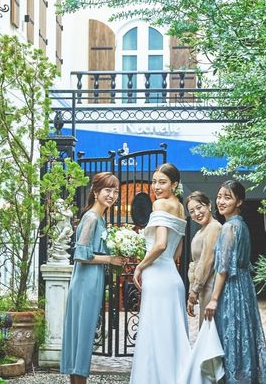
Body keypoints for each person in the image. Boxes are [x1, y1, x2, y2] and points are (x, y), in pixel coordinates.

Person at [60, 172, 126, 384]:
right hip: (86, 282)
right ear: (96, 192)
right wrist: (111, 259)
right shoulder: (91, 218)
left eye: (115, 191)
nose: (112, 195)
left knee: (83, 336)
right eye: (107, 190)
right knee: (83, 336)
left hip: (91, 280)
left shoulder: (100, 218)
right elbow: (81, 255)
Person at [204, 180, 266, 384]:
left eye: (228, 197)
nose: (221, 201)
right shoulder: (241, 225)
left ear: (239, 201)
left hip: (231, 289)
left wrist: (213, 299)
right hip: (244, 286)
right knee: (243, 334)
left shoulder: (229, 228)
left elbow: (223, 268)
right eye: (219, 196)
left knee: (230, 335)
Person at [129, 163, 190, 384]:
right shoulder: (180, 207)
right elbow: (178, 251)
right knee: (171, 335)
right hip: (172, 277)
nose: (156, 186)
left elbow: (161, 244)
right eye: (154, 182)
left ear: (174, 184)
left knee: (155, 333)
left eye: (162, 182)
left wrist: (140, 266)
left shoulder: (160, 204)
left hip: (157, 276)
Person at [186, 191, 222, 326]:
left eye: (199, 207)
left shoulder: (214, 227)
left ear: (209, 205)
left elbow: (207, 260)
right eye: (192, 211)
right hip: (202, 284)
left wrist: (195, 289)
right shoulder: (201, 230)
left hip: (210, 283)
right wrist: (193, 289)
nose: (196, 213)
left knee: (208, 328)